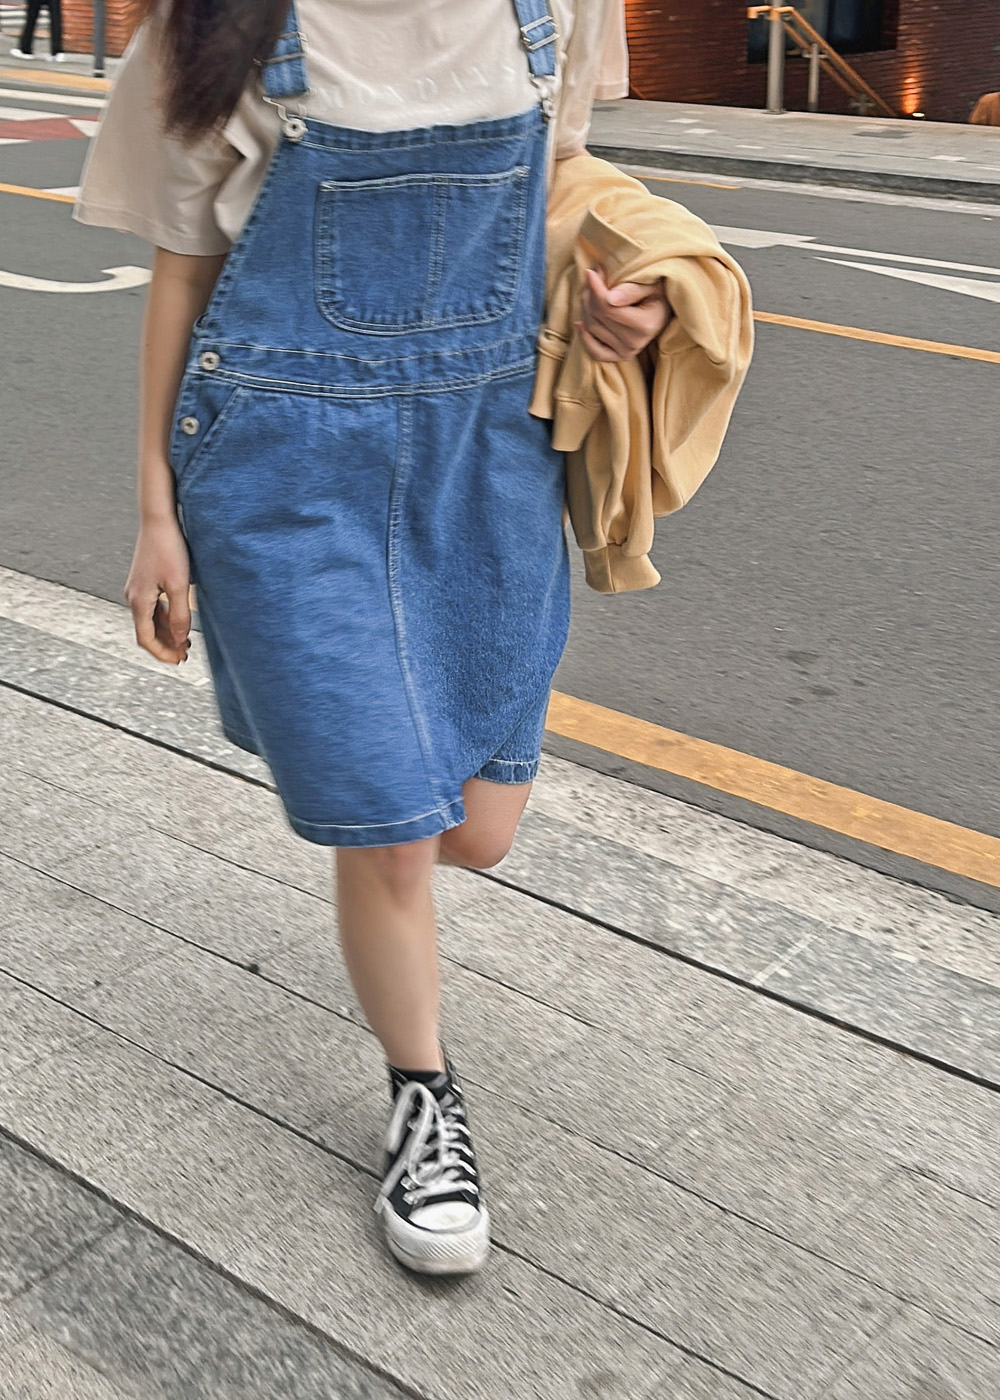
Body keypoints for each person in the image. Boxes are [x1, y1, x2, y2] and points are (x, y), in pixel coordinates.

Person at [74, 0, 671, 1277]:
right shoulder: (214, 26)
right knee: (391, 821)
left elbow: (563, 177)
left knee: (476, 828)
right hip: (285, 465)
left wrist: (634, 305)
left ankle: (392, 923)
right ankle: (424, 1097)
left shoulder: (552, 8)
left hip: (489, 458)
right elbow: (184, 266)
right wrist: (155, 513)